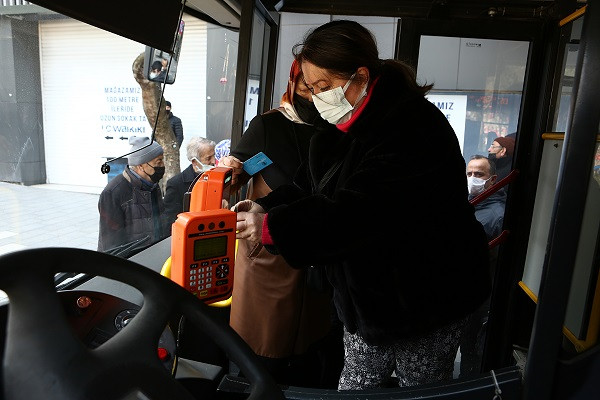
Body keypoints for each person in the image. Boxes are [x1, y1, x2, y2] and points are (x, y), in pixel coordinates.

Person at [230, 20, 490, 390]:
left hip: (428, 295)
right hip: (367, 300)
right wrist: (265, 208)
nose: (317, 98)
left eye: (324, 87)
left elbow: (365, 212)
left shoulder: (413, 127)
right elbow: (309, 185)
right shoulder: (343, 126)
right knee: (357, 384)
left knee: (420, 389)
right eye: (312, 88)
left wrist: (277, 227)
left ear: (360, 76)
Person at [219, 60, 341, 388]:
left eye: (320, 84)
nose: (310, 88)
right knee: (263, 344)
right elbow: (238, 167)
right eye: (304, 81)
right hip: (265, 246)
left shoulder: (336, 125)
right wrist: (227, 173)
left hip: (312, 242)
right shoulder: (268, 124)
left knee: (309, 339)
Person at [460, 155, 506, 378]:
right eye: (469, 174)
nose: (472, 179)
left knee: (473, 356)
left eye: (479, 174)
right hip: (468, 296)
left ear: (493, 179)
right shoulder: (468, 205)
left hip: (481, 300)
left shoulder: (497, 214)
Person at [98, 136, 170, 254]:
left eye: (162, 160)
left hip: (154, 256)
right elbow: (111, 244)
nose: (162, 165)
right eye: (158, 162)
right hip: (131, 263)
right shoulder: (113, 192)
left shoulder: (153, 185)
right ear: (140, 166)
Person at [163, 137, 216, 223]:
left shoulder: (216, 177)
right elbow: (170, 219)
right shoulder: (176, 184)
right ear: (194, 162)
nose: (213, 161)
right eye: (208, 158)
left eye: (214, 156)